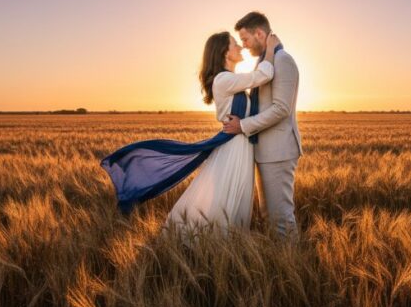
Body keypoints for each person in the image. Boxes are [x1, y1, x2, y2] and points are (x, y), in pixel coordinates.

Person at [99, 29, 281, 237]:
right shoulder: (223, 79)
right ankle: (204, 244)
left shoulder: (231, 79)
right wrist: (270, 48)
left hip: (240, 147)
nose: (240, 46)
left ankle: (224, 246)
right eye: (234, 43)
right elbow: (264, 74)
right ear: (224, 52)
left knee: (233, 200)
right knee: (224, 200)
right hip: (233, 149)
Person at [222, 11, 303, 241]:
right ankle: (281, 267)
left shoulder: (282, 60)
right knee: (270, 218)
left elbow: (281, 109)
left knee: (282, 220)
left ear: (260, 33)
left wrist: (243, 126)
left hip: (278, 152)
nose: (244, 46)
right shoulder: (266, 61)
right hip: (265, 151)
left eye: (246, 39)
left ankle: (293, 270)